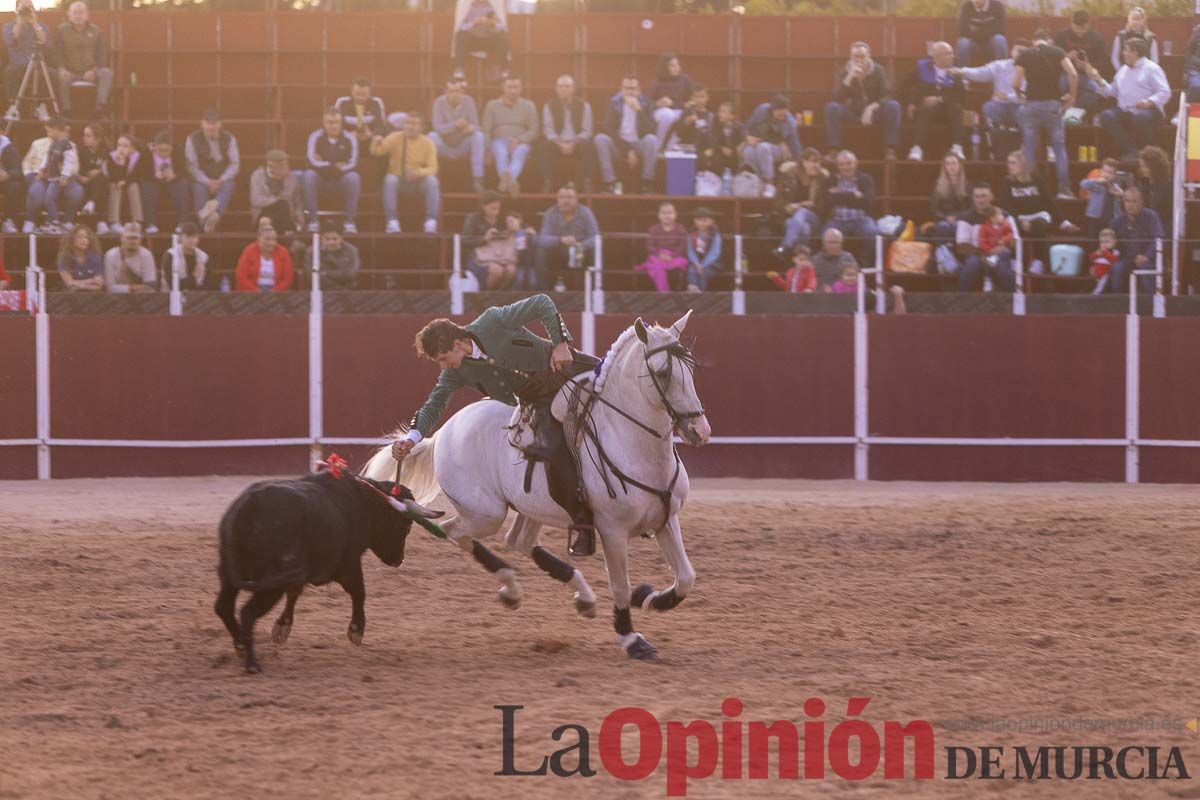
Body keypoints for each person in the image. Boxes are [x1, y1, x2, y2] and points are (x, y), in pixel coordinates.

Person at [390, 294, 598, 556]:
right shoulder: (455, 372)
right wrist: (412, 438)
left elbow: (542, 303)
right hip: (538, 401)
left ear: (458, 344)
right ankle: (582, 522)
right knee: (553, 450)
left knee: (625, 393)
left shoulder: (492, 321)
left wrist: (560, 344)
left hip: (565, 367)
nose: (444, 366)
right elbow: (435, 404)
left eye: (444, 358)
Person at [1012, 30, 1076, 199]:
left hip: (1032, 105)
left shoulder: (1025, 55)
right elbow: (1073, 74)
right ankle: (1064, 190)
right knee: (1059, 149)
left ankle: (1031, 190)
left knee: (1030, 150)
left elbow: (1016, 83)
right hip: (1053, 105)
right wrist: (1072, 97)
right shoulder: (1058, 52)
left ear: (1033, 41)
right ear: (1049, 40)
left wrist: (1021, 96)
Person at [1089, 39, 1170, 162]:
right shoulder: (1123, 70)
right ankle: (1132, 150)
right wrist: (1099, 80)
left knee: (1140, 118)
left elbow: (1165, 92)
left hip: (1150, 111)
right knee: (1106, 116)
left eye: (1126, 50)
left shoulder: (1152, 68)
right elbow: (1112, 92)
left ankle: (1147, 153)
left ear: (1136, 53)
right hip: (1126, 110)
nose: (1123, 53)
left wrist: (1148, 102)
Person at [998, 150, 1073, 274]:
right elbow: (1005, 205)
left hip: (1039, 215)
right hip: (1020, 217)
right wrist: (1020, 220)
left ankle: (1038, 261)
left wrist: (1063, 222)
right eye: (1008, 163)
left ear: (1022, 164)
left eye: (1013, 162)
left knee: (1038, 226)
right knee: (1013, 225)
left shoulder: (1037, 179)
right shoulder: (1008, 182)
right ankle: (1016, 260)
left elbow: (1049, 201)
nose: (1009, 166)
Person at [824, 42, 902, 160]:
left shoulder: (878, 70)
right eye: (856, 56)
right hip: (853, 114)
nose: (859, 59)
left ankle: (890, 149)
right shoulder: (845, 71)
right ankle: (834, 150)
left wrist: (871, 108)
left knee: (893, 105)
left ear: (869, 56)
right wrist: (849, 77)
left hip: (874, 115)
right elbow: (836, 98)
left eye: (862, 56)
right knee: (831, 107)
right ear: (851, 57)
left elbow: (888, 95)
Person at [372, 111, 440, 235]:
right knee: (389, 179)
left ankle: (431, 221)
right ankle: (392, 221)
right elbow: (377, 152)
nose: (410, 126)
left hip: (418, 183)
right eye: (407, 123)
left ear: (421, 127)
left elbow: (433, 168)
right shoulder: (395, 137)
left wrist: (419, 172)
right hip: (398, 180)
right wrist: (375, 141)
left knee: (432, 181)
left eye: (414, 123)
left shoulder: (428, 143)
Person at [902, 42, 965, 162]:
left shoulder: (956, 72)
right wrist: (911, 102)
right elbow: (903, 85)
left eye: (952, 53)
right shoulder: (922, 68)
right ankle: (917, 148)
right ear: (937, 57)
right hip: (925, 111)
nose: (953, 56)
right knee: (925, 108)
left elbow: (961, 96)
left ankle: (957, 146)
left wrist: (940, 99)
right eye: (948, 54)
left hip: (947, 113)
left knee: (957, 108)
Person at [595, 75, 659, 194]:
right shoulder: (613, 103)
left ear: (639, 90)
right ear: (621, 89)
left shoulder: (647, 103)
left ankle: (647, 183)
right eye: (627, 88)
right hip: (619, 145)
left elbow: (651, 129)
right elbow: (609, 129)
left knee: (652, 140)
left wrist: (639, 111)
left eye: (633, 88)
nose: (630, 92)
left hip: (639, 145)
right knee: (600, 139)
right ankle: (610, 183)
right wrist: (628, 150)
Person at [304, 108, 360, 234]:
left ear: (341, 123)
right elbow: (311, 161)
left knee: (354, 177)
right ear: (324, 123)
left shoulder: (350, 138)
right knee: (309, 175)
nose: (333, 125)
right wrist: (334, 164)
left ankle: (350, 222)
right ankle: (313, 221)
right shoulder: (315, 136)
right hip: (321, 180)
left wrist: (323, 162)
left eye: (336, 122)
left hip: (341, 181)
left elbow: (353, 163)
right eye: (329, 122)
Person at [953, 39, 1027, 135]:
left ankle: (1023, 143)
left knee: (1025, 111)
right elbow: (980, 73)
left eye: (1024, 52)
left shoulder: (1032, 68)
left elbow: (1026, 95)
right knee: (989, 107)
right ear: (1011, 51)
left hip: (1020, 106)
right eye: (1019, 50)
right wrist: (962, 71)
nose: (1020, 54)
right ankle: (996, 139)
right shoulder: (1000, 65)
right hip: (1000, 105)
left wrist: (1008, 96)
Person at [22, 117, 81, 235]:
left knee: (77, 191)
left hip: (61, 178)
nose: (47, 133)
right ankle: (30, 221)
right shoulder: (38, 143)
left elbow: (74, 165)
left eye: (49, 130)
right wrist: (32, 173)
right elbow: (27, 161)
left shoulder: (70, 146)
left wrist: (65, 174)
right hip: (42, 177)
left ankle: (67, 223)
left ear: (56, 130)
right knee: (37, 191)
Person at [538, 74, 596, 194]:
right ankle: (548, 182)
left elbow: (587, 130)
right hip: (557, 142)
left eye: (567, 86)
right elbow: (548, 130)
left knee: (589, 146)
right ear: (556, 88)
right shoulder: (548, 105)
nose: (564, 89)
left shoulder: (584, 106)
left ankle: (585, 183)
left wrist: (573, 143)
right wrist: (560, 143)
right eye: (561, 86)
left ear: (573, 88)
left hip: (577, 142)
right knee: (543, 147)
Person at [535, 183, 598, 292]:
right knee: (540, 251)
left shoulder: (585, 212)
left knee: (592, 252)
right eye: (562, 197)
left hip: (581, 251)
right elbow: (542, 239)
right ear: (557, 199)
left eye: (569, 197)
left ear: (577, 199)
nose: (565, 201)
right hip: (558, 252)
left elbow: (595, 237)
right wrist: (560, 240)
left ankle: (586, 293)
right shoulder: (551, 213)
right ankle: (543, 292)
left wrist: (581, 246)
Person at [185, 109, 240, 233]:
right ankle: (205, 221)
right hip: (202, 178)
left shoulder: (229, 138)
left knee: (229, 185)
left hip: (222, 178)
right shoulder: (192, 139)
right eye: (208, 122)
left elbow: (234, 164)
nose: (211, 126)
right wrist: (207, 182)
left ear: (220, 124)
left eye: (214, 123)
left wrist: (221, 180)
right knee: (198, 188)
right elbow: (192, 166)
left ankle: (215, 209)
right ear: (202, 124)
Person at [818, 150, 876, 267]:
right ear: (838, 166)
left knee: (872, 233)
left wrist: (839, 196)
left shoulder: (866, 179)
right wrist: (854, 196)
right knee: (826, 235)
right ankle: (832, 267)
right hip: (837, 220)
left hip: (861, 219)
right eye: (842, 164)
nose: (846, 167)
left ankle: (865, 266)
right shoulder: (831, 180)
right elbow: (826, 201)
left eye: (849, 163)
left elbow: (868, 202)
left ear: (856, 163)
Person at [482, 75, 538, 196]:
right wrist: (486, 150)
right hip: (498, 140)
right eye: (510, 87)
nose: (513, 90)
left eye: (516, 87)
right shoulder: (492, 105)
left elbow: (534, 130)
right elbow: (486, 130)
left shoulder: (529, 105)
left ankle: (505, 182)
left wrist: (519, 140)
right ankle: (511, 181)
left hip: (521, 141)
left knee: (520, 153)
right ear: (503, 88)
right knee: (501, 153)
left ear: (521, 88)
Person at [54, 1, 112, 117]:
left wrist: (94, 70)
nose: (78, 15)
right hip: (69, 72)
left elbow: (101, 55)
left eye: (81, 12)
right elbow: (57, 53)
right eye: (75, 12)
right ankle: (66, 111)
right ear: (68, 14)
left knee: (107, 73)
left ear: (87, 15)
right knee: (60, 77)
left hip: (90, 71)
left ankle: (100, 108)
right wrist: (61, 69)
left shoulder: (96, 31)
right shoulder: (61, 30)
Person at [430, 74, 485, 194]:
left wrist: (471, 128)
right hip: (444, 146)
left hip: (462, 145)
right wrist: (455, 125)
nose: (455, 94)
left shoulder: (469, 101)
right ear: (445, 92)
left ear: (463, 92)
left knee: (479, 136)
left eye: (458, 91)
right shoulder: (438, 102)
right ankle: (433, 179)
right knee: (431, 137)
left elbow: (476, 125)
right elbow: (437, 127)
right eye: (451, 91)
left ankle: (478, 180)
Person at [955, 182, 1015, 291]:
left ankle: (1013, 302)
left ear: (991, 196)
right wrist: (983, 254)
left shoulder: (1004, 215)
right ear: (973, 198)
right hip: (976, 254)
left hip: (1000, 253)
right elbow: (961, 246)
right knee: (973, 264)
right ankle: (962, 298)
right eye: (977, 197)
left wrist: (1003, 247)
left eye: (984, 196)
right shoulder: (965, 217)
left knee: (1002, 266)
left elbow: (1014, 239)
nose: (980, 200)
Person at [743, 95, 804, 198]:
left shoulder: (790, 122)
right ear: (772, 109)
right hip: (757, 143)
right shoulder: (761, 110)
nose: (781, 113)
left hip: (779, 150)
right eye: (778, 110)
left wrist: (799, 161)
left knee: (763, 148)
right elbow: (746, 127)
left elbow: (795, 144)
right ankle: (757, 181)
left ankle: (769, 184)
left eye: (784, 110)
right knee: (748, 151)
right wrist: (747, 137)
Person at [771, 148, 827, 259]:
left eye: (819, 162)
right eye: (813, 161)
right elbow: (776, 201)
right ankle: (801, 261)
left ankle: (784, 247)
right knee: (804, 228)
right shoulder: (788, 176)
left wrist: (810, 205)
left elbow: (825, 205)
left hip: (814, 219)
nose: (817, 165)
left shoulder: (823, 178)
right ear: (804, 162)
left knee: (802, 212)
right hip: (791, 218)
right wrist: (788, 206)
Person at [1107, 185, 1162, 294]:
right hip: (1125, 259)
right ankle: (1118, 302)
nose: (1130, 205)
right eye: (1127, 201)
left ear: (1142, 202)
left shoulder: (1151, 216)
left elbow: (1159, 239)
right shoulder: (1116, 222)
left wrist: (1146, 256)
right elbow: (1109, 244)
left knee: (1145, 268)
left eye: (1134, 201)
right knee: (1117, 268)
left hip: (1147, 259)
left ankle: (1149, 304)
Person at [462, 190, 515, 290]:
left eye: (498, 208)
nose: (496, 212)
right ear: (483, 206)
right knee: (497, 270)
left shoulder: (503, 218)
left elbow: (518, 226)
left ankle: (499, 295)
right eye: (492, 208)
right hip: (480, 258)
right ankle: (486, 295)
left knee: (511, 270)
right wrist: (484, 238)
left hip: (501, 255)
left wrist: (513, 228)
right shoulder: (473, 218)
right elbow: (465, 240)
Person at [3, 0, 49, 110]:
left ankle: (41, 107)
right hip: (18, 65)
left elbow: (45, 42)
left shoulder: (41, 25)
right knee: (9, 72)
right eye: (23, 7)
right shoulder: (8, 26)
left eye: (29, 7)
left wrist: (34, 24)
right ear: (16, 10)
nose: (27, 10)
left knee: (52, 74)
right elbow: (11, 42)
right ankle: (13, 107)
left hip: (38, 65)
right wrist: (20, 23)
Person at [143, 131, 191, 235]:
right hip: (154, 179)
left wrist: (175, 175)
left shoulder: (178, 151)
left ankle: (182, 223)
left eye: (166, 150)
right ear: (154, 147)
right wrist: (154, 175)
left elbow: (184, 170)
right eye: (160, 150)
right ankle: (151, 223)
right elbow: (142, 172)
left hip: (172, 179)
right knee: (147, 186)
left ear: (172, 147)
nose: (163, 153)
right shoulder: (146, 153)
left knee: (183, 185)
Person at [635, 201, 687, 293]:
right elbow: (649, 246)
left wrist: (672, 256)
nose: (667, 216)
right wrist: (659, 254)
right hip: (658, 257)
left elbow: (682, 246)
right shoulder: (653, 229)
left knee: (678, 266)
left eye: (670, 213)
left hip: (674, 257)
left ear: (675, 215)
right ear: (659, 215)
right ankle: (663, 293)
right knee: (656, 266)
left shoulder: (680, 228)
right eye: (664, 213)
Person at [453, 0, 510, 82]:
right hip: (472, 41)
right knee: (460, 36)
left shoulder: (492, 6)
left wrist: (492, 24)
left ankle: (504, 69)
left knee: (503, 37)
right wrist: (473, 23)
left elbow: (503, 27)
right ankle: (459, 69)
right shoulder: (467, 6)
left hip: (489, 39)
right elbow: (459, 28)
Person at [250, 149, 304, 235]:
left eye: (286, 164)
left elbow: (297, 201)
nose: (285, 167)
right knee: (282, 204)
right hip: (263, 212)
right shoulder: (258, 176)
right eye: (281, 165)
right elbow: (256, 200)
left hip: (286, 216)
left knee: (283, 207)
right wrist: (277, 200)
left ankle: (289, 233)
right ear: (270, 165)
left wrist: (299, 214)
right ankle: (291, 233)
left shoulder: (292, 178)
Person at [649, 54, 694, 151]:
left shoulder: (685, 80)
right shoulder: (657, 82)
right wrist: (659, 103)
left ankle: (670, 147)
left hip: (679, 110)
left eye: (677, 65)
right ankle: (658, 146)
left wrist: (689, 103)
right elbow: (648, 103)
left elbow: (694, 96)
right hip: (661, 113)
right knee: (668, 114)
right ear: (665, 67)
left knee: (679, 115)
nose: (677, 68)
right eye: (672, 65)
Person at [103, 133, 147, 233]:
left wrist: (125, 181)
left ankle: (137, 221)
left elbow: (136, 176)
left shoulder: (137, 157)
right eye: (119, 145)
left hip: (128, 183)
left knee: (134, 186)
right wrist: (121, 164)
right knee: (115, 185)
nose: (121, 149)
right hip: (114, 184)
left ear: (132, 148)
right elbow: (112, 177)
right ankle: (114, 222)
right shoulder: (112, 157)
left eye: (125, 146)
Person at [929, 150, 970, 249]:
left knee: (958, 226)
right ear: (944, 167)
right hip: (943, 219)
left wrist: (957, 217)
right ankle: (941, 257)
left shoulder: (967, 185)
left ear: (959, 165)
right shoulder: (937, 185)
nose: (951, 167)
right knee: (943, 226)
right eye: (948, 164)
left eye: (954, 163)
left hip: (961, 219)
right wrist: (946, 217)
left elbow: (971, 208)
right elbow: (933, 209)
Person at [235, 225, 294, 293]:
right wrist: (256, 292)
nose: (271, 243)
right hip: (252, 291)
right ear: (258, 238)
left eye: (274, 239)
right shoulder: (249, 251)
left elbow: (288, 279)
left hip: (276, 291)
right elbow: (241, 277)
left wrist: (274, 292)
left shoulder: (283, 252)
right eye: (267, 239)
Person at [1055, 11, 1112, 81]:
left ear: (1088, 24)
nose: (1079, 31)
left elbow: (1103, 62)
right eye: (1076, 28)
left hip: (1089, 75)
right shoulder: (1062, 36)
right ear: (1071, 24)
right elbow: (1053, 59)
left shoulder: (1097, 38)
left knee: (1095, 89)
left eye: (1082, 28)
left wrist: (1087, 66)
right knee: (1062, 85)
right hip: (1067, 73)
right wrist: (1066, 57)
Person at [306, 218, 359, 291]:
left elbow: (350, 274)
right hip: (321, 291)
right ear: (321, 238)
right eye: (327, 239)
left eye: (335, 239)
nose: (331, 242)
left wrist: (325, 273)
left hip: (347, 291)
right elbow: (312, 276)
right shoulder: (311, 251)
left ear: (341, 238)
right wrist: (335, 288)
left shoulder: (352, 250)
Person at [103, 222, 156, 293]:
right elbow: (109, 287)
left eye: (135, 238)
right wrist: (132, 288)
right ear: (121, 238)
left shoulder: (146, 254)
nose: (132, 241)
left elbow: (150, 286)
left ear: (140, 240)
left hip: (141, 297)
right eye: (129, 238)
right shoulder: (110, 255)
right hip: (116, 297)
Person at [75, 123, 108, 234]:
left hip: (98, 183)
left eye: (88, 136)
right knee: (100, 181)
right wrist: (81, 177)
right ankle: (101, 221)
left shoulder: (105, 152)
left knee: (101, 179)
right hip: (82, 181)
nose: (84, 138)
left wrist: (98, 172)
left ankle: (91, 203)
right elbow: (75, 169)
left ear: (97, 139)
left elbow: (108, 170)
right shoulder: (80, 151)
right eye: (84, 135)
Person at [1080, 158, 1124, 238]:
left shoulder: (1115, 186)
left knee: (1109, 239)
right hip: (1094, 217)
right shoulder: (1096, 183)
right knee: (1093, 239)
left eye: (1110, 173)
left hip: (1111, 219)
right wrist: (1095, 181)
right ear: (1100, 171)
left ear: (1115, 175)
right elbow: (1083, 184)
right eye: (1104, 171)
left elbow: (1121, 199)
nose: (1106, 175)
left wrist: (1120, 194)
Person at [956, 0, 1008, 67]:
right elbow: (962, 30)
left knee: (999, 40)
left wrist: (975, 30)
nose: (976, 2)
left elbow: (1001, 29)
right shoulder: (966, 6)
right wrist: (987, 29)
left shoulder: (997, 6)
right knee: (963, 43)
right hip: (973, 44)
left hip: (991, 43)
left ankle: (1002, 71)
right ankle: (963, 73)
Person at [159, 221, 208, 290]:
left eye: (194, 237)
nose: (192, 240)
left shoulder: (203, 257)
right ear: (180, 238)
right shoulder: (170, 255)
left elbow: (207, 284)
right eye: (188, 236)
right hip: (170, 297)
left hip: (197, 297)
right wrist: (193, 277)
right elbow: (172, 285)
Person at [699, 101, 744, 176]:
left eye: (723, 112)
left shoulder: (738, 127)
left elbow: (740, 142)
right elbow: (713, 141)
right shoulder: (716, 126)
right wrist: (721, 148)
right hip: (718, 153)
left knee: (733, 158)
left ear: (731, 116)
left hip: (733, 156)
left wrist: (735, 150)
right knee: (715, 159)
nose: (720, 114)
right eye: (719, 111)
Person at [56, 224, 103, 292]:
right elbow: (69, 283)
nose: (84, 240)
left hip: (92, 295)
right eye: (80, 237)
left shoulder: (96, 258)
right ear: (72, 239)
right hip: (69, 295)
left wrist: (80, 286)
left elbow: (99, 285)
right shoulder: (63, 257)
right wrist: (92, 280)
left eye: (87, 238)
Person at [1111, 6, 1158, 74]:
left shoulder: (1150, 38)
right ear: (1129, 20)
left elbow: (1154, 60)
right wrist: (1121, 71)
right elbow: (1114, 58)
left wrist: (1147, 73)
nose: (1135, 22)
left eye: (1138, 19)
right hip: (1124, 73)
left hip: (1144, 74)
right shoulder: (1120, 36)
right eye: (1133, 19)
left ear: (1143, 21)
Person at [1136, 145, 1171, 237]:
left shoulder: (1168, 186)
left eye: (1144, 166)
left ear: (1154, 167)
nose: (1142, 169)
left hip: (1163, 229)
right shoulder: (1144, 184)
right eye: (1141, 166)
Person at [685, 207, 722, 292]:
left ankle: (701, 294)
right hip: (696, 263)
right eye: (699, 220)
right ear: (695, 221)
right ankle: (693, 289)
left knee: (703, 273)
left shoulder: (715, 235)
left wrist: (703, 265)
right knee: (691, 270)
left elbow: (714, 253)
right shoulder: (691, 234)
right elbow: (690, 251)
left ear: (711, 221)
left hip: (712, 264)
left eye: (705, 220)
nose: (702, 223)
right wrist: (696, 263)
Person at [811, 227, 858, 292]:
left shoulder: (848, 258)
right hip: (822, 297)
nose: (833, 246)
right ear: (824, 243)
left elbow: (857, 278)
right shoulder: (815, 260)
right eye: (830, 242)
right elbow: (811, 281)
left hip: (844, 295)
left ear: (841, 244)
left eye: (836, 242)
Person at [0, 133, 23, 234]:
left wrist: (7, 174)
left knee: (15, 186)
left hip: (3, 181)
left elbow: (18, 171)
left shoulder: (9, 149)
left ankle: (9, 221)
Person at [1090, 227, 1119, 294]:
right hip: (1096, 271)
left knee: (1103, 280)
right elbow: (1091, 259)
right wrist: (1096, 254)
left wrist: (1105, 253)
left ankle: (1096, 293)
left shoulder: (1115, 252)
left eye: (1107, 242)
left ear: (1114, 242)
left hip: (1105, 273)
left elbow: (1114, 260)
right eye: (1102, 242)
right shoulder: (1098, 251)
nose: (1104, 244)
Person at [1187, 24, 1200, 103]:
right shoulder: (1198, 31)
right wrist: (1186, 71)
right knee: (1196, 86)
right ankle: (1189, 111)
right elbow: (1189, 52)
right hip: (1196, 69)